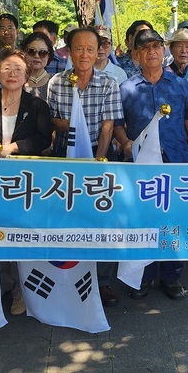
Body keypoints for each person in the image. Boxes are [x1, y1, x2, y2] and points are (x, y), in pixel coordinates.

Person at [114, 29, 188, 300]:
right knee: (143, 220)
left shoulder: (178, 85)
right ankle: (143, 275)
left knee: (175, 220)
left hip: (176, 162)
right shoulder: (127, 89)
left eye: (157, 46)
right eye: (146, 48)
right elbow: (118, 125)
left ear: (163, 51)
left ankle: (172, 276)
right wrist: (126, 143)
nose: (152, 51)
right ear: (137, 55)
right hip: (141, 166)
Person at [47, 27, 123, 305]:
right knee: (68, 218)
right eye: (79, 48)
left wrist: (98, 162)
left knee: (102, 221)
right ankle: (69, 276)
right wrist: (68, 124)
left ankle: (103, 282)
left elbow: (108, 126)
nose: (85, 54)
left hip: (96, 157)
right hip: (65, 159)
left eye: (91, 49)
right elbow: (52, 119)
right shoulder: (56, 82)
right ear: (69, 50)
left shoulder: (108, 82)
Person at [0, 49, 53, 316]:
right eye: (7, 68)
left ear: (26, 76)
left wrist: (15, 147)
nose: (12, 74)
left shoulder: (37, 106)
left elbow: (44, 138)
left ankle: (22, 288)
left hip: (24, 180)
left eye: (18, 69)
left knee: (21, 231)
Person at [21, 32, 55, 100]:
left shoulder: (55, 82)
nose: (37, 56)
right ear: (24, 53)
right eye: (31, 51)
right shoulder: (16, 80)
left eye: (42, 53)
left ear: (49, 55)